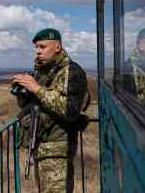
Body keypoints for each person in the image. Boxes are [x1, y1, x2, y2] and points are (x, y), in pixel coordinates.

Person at [12, 28, 88, 193]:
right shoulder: (45, 71)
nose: (38, 51)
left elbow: (70, 110)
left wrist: (36, 88)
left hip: (58, 150)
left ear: (57, 47)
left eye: (42, 46)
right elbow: (35, 106)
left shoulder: (71, 71)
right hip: (43, 147)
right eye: (36, 47)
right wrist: (23, 93)